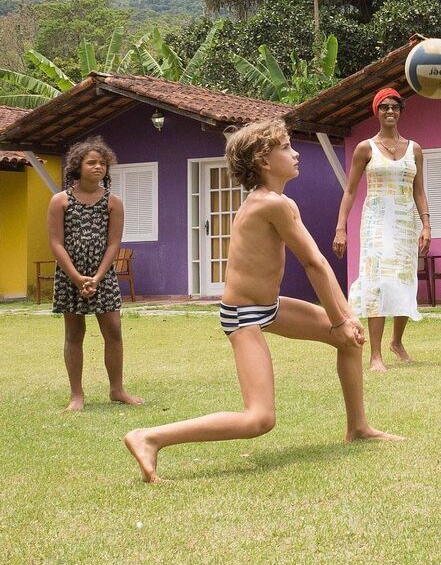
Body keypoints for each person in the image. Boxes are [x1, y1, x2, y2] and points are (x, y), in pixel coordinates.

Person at [125, 119, 401, 483]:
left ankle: (359, 427)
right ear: (264, 161)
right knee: (260, 418)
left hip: (268, 307)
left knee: (347, 340)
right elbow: (314, 264)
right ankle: (149, 438)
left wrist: (346, 320)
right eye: (286, 147)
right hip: (243, 317)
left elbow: (318, 263)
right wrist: (338, 320)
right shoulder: (269, 204)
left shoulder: (281, 201)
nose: (296, 152)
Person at [334, 88, 430, 372]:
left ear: (400, 111)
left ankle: (396, 342)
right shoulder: (366, 148)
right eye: (384, 107)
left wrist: (426, 224)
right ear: (376, 111)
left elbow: (419, 191)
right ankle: (375, 355)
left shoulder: (415, 149)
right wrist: (341, 227)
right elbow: (350, 191)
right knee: (377, 281)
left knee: (403, 279)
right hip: (376, 222)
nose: (390, 111)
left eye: (395, 107)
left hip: (404, 222)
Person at [47, 136, 144, 411]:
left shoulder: (113, 202)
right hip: (69, 276)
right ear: (77, 166)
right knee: (74, 333)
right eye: (91, 162)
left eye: (102, 163)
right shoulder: (59, 201)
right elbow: (55, 242)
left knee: (113, 330)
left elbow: (114, 243)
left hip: (103, 275)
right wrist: (77, 277)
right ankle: (76, 395)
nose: (98, 167)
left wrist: (98, 276)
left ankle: (117, 390)